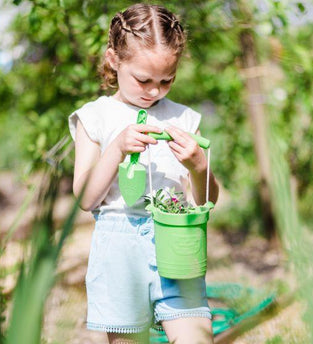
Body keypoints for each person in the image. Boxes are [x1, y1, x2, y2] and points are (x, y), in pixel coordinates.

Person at [68, 3, 219, 343]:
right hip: (120, 252)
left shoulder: (183, 119)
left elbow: (206, 199)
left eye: (167, 80)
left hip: (178, 242)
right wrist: (116, 148)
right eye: (143, 79)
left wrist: (198, 166)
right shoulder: (96, 118)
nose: (154, 91)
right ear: (113, 59)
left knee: (196, 336)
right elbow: (85, 197)